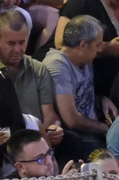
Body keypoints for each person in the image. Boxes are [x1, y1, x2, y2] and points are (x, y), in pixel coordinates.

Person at [0, 9, 64, 138]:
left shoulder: (38, 68)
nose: (17, 50)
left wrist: (54, 128)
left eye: (22, 42)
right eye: (11, 43)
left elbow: (49, 114)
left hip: (36, 136)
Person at [45, 15, 113, 143]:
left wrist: (101, 100)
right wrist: (106, 128)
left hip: (93, 135)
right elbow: (71, 119)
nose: (100, 49)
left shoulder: (85, 59)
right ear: (83, 45)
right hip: (77, 140)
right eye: (97, 44)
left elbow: (81, 95)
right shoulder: (57, 64)